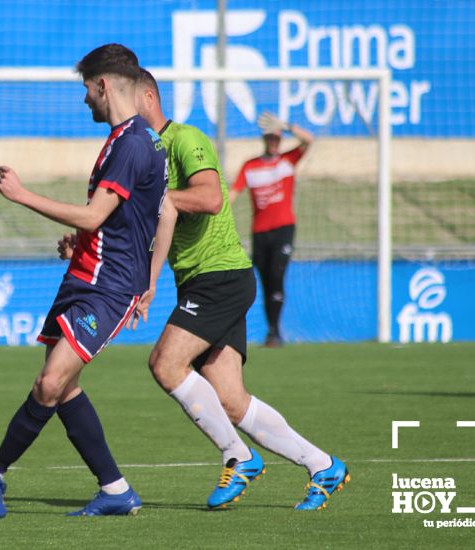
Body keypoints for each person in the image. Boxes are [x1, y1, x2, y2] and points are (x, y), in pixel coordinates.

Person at [131, 69, 348, 511]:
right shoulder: (145, 155)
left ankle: (238, 456)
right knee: (230, 400)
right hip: (208, 279)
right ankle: (323, 465)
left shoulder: (184, 140)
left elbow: (211, 198)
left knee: (166, 363)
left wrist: (166, 201)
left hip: (219, 277)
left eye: (117, 97)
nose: (111, 110)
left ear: (148, 97)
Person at [0, 44, 168, 518]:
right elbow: (129, 219)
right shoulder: (128, 138)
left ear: (104, 85)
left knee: (50, 383)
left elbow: (96, 213)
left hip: (108, 289)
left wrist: (22, 196)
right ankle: (115, 490)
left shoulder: (131, 143)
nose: (85, 99)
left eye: (87, 89)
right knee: (63, 389)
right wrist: (83, 243)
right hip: (86, 276)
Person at [228, 112, 314, 347]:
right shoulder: (250, 165)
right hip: (259, 231)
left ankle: (275, 331)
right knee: (265, 281)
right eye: (271, 139)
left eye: (277, 139)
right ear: (265, 140)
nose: (274, 143)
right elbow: (234, 193)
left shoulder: (288, 160)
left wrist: (286, 125)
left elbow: (309, 140)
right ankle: (272, 331)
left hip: (284, 227)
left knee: (277, 275)